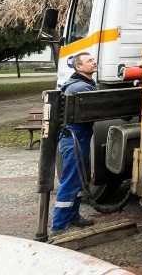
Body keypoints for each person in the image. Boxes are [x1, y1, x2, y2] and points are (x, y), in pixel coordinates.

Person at [51, 52, 98, 235]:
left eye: (93, 60)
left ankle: (73, 216)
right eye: (89, 61)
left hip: (80, 137)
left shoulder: (84, 84)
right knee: (70, 180)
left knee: (78, 179)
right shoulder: (79, 87)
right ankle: (59, 225)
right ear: (78, 67)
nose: (93, 62)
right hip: (74, 138)